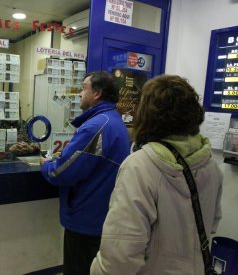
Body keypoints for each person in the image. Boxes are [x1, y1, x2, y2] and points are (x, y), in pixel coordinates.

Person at [90, 75, 223, 275]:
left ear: (146, 114)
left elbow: (120, 257)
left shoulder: (140, 166)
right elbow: (212, 223)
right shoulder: (211, 166)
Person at [40, 71, 131, 275]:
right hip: (101, 218)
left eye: (84, 88)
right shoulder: (113, 121)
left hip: (86, 220)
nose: (80, 94)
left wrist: (45, 164)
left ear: (97, 93)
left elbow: (61, 173)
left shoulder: (96, 127)